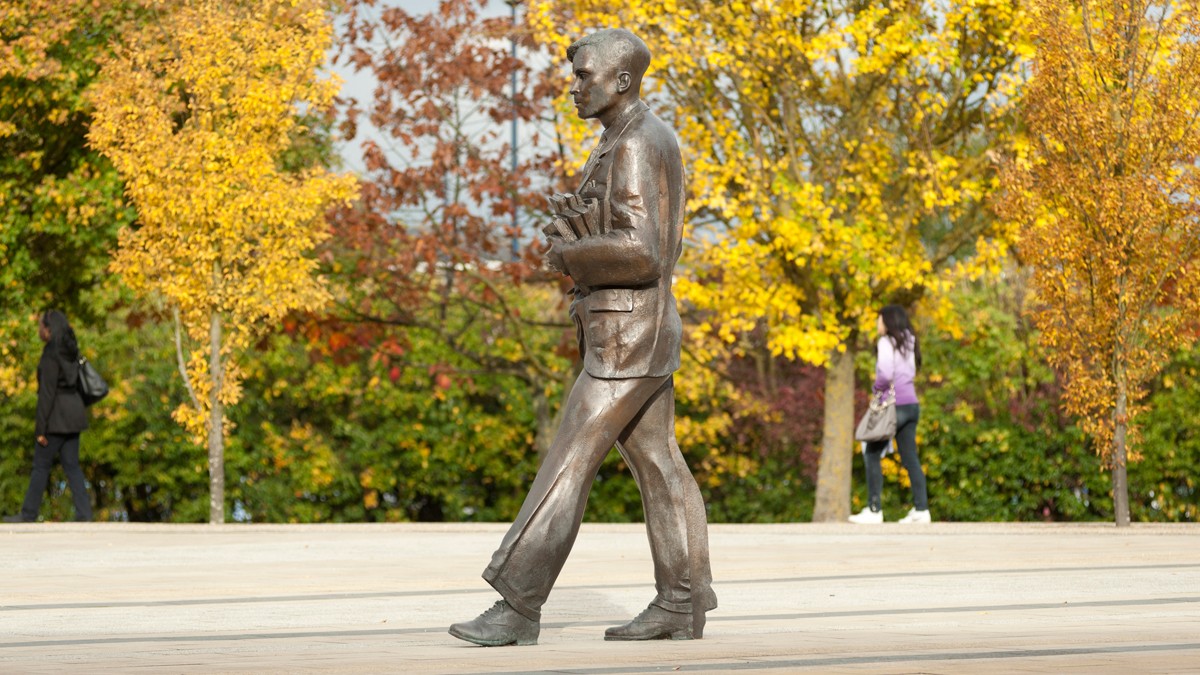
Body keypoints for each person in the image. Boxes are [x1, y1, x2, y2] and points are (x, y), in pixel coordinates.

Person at [448, 28, 715, 646]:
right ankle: (681, 602)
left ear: (622, 80)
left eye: (584, 76)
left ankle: (518, 603)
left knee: (568, 460)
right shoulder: (623, 139)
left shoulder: (639, 144)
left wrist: (571, 254)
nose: (574, 87)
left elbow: (645, 253)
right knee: (659, 463)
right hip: (633, 334)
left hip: (628, 340)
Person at [3, 310, 93, 523]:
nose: (39, 330)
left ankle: (28, 514)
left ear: (49, 329)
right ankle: (84, 513)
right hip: (75, 415)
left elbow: (47, 394)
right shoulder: (71, 350)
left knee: (41, 466)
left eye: (41, 326)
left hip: (56, 419)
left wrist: (40, 429)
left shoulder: (51, 354)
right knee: (72, 466)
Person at [849, 305, 930, 524]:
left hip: (893, 405)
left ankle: (874, 509)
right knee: (910, 456)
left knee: (871, 452)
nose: (877, 324)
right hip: (912, 404)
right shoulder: (910, 340)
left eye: (879, 319)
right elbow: (911, 371)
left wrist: (877, 389)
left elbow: (885, 372)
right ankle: (922, 509)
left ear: (888, 321)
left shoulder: (886, 342)